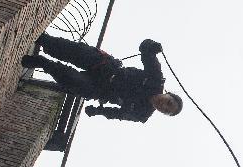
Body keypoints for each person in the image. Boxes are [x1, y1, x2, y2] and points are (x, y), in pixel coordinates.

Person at [20, 33, 183, 123]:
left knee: (70, 79)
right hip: (105, 67)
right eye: (169, 102)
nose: (164, 106)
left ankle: (41, 63)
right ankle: (44, 40)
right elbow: (145, 50)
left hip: (98, 89)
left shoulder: (142, 114)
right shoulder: (156, 78)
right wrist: (153, 47)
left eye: (166, 111)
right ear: (169, 94)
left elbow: (119, 114)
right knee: (72, 51)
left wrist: (98, 111)